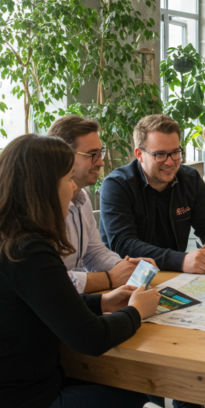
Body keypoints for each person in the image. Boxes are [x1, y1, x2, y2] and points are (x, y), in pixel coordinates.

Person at [0, 134, 161, 408]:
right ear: (43, 188)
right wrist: (136, 312)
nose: (74, 187)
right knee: (144, 406)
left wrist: (101, 303)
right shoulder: (29, 251)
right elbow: (90, 339)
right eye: (67, 178)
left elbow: (41, 305)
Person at [99, 113, 205, 408]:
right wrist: (181, 259)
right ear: (139, 154)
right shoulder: (116, 185)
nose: (170, 162)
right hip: (127, 286)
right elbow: (122, 243)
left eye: (176, 152)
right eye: (160, 154)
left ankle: (187, 402)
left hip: (178, 281)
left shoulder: (188, 179)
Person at [46, 115, 157, 293]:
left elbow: (94, 253)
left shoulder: (82, 197)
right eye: (92, 155)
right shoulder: (40, 207)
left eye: (100, 153)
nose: (101, 162)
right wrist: (110, 278)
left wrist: (124, 267)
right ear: (63, 155)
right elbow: (51, 281)